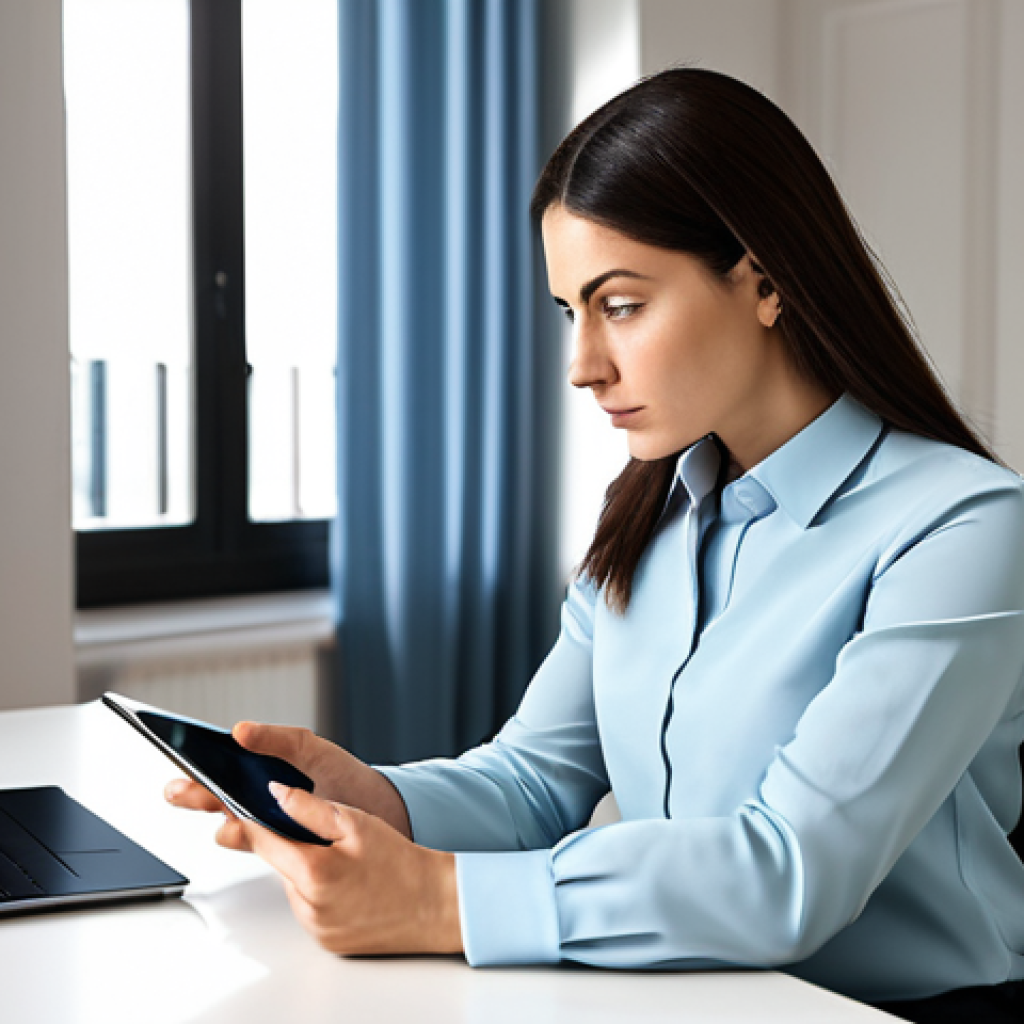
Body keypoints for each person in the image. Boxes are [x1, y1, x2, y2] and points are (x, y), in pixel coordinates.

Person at [166, 69, 1024, 1022]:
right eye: (570, 312)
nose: (582, 365)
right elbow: (536, 778)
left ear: (766, 279)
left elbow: (790, 872)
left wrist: (435, 899)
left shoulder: (963, 526)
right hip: (686, 994)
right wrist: (380, 803)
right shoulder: (650, 511)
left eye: (619, 305)